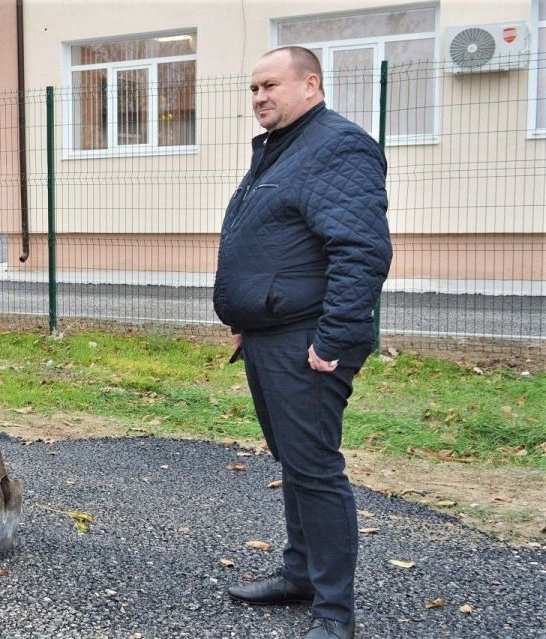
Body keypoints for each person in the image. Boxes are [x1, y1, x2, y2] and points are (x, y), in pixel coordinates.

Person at [213, 46, 392, 639]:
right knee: (294, 463)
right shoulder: (283, 147)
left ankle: (334, 613)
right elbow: (278, 240)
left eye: (270, 85)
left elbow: (361, 250)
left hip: (308, 342)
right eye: (253, 88)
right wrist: (247, 313)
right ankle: (300, 574)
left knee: (315, 470)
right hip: (271, 336)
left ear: (310, 84)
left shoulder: (337, 145)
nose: (260, 97)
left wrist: (333, 339)